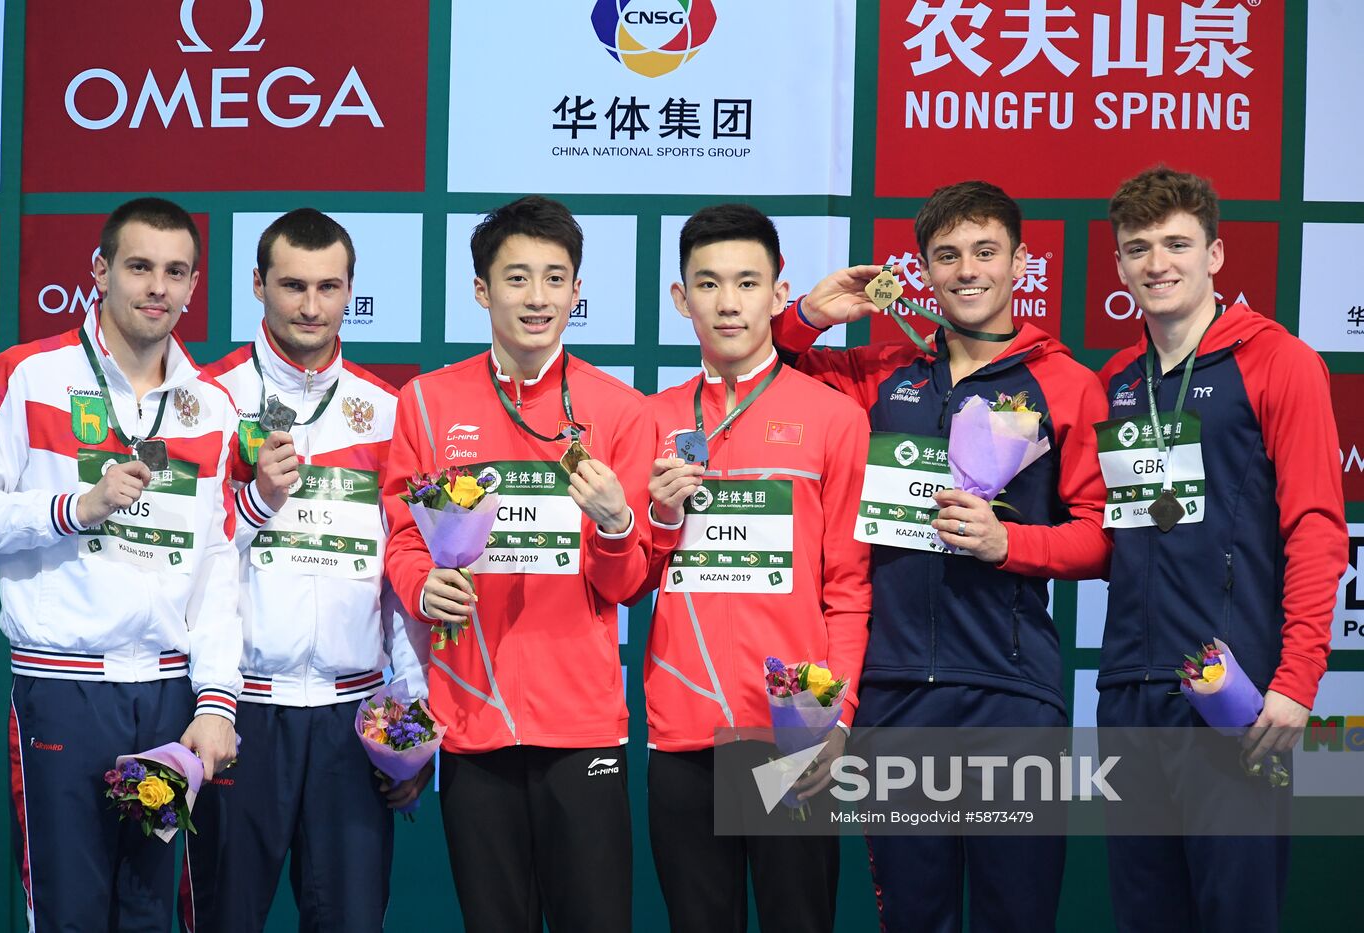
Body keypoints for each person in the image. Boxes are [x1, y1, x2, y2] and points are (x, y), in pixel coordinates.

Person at [771, 181, 1111, 932]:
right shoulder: (876, 375)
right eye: (946, 255)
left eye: (986, 252)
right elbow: (767, 383)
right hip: (897, 700)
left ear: (1020, 262)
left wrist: (1007, 542)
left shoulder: (1068, 385)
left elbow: (1102, 537)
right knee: (914, 918)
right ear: (922, 270)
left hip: (1012, 696)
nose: (967, 270)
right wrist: (808, 317)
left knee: (1015, 915)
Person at [0, 198, 240, 931]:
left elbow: (216, 564)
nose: (158, 287)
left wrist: (215, 699)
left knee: (154, 912)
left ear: (192, 285)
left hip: (166, 696)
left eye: (175, 271)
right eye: (140, 266)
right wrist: (71, 509)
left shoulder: (208, 404)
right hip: (65, 690)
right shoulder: (28, 374)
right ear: (100, 270)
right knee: (68, 910)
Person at [381, 195, 652, 932]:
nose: (538, 298)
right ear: (481, 290)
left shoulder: (621, 410)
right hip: (472, 719)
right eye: (518, 278)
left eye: (556, 279)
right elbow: (403, 538)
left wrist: (617, 523)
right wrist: (419, 581)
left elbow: (628, 583)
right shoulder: (428, 403)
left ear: (576, 290)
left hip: (582, 721)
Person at [1094, 166, 1348, 932]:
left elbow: (1316, 526)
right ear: (1117, 265)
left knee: (1237, 913)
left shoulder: (1279, 361)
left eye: (1177, 243)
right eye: (1137, 248)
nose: (1156, 263)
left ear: (1216, 255)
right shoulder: (1115, 380)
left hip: (1235, 697)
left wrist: (1297, 681)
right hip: (1129, 696)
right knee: (1145, 915)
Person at [182, 208, 429, 932]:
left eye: (330, 286)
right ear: (256, 284)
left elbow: (403, 575)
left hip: (353, 720)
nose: (311, 306)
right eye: (292, 285)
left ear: (351, 289)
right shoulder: (208, 399)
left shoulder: (388, 411)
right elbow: (189, 557)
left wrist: (405, 719)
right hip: (239, 715)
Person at [634, 203, 871, 932]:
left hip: (795, 729)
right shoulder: (650, 419)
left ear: (778, 293)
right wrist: (659, 517)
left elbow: (849, 586)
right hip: (683, 731)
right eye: (707, 283)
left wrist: (839, 717)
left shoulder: (833, 417)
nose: (728, 302)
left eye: (746, 282)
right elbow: (626, 576)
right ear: (680, 298)